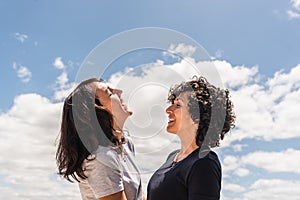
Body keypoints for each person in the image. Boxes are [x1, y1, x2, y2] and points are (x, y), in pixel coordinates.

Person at [147, 76, 235, 200]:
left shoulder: (204, 162)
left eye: (178, 105)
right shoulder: (172, 157)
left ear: (197, 116)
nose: (168, 110)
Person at [56, 78, 143, 200]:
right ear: (96, 112)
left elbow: (138, 195)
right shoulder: (102, 158)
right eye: (109, 92)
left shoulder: (125, 143)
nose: (120, 91)